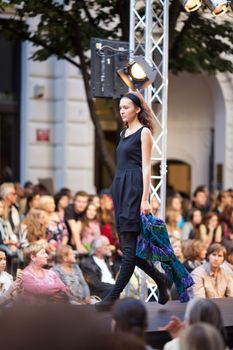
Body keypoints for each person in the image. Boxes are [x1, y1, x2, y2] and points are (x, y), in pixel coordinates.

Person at [95, 92, 170, 311]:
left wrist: (145, 198)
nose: (122, 111)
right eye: (120, 108)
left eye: (126, 107)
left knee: (129, 250)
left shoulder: (144, 132)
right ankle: (162, 279)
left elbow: (147, 166)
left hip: (134, 189)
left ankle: (112, 297)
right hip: (120, 188)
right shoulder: (123, 133)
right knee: (129, 249)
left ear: (137, 109)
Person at [161, 297, 228, 350]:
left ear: (190, 322)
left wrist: (178, 341)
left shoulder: (173, 346)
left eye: (186, 319)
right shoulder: (223, 347)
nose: (183, 324)